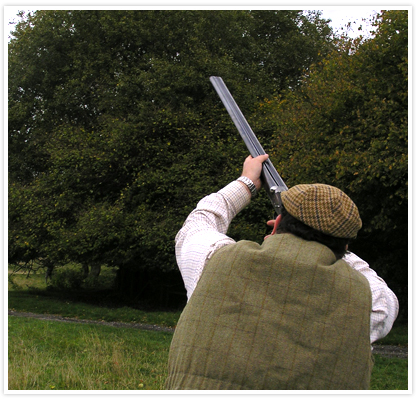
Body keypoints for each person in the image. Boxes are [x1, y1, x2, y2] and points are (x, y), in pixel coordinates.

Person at [165, 155, 399, 390]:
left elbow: (196, 225)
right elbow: (381, 292)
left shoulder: (215, 261)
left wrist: (245, 183)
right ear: (345, 246)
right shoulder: (367, 301)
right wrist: (336, 247)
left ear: (276, 224)